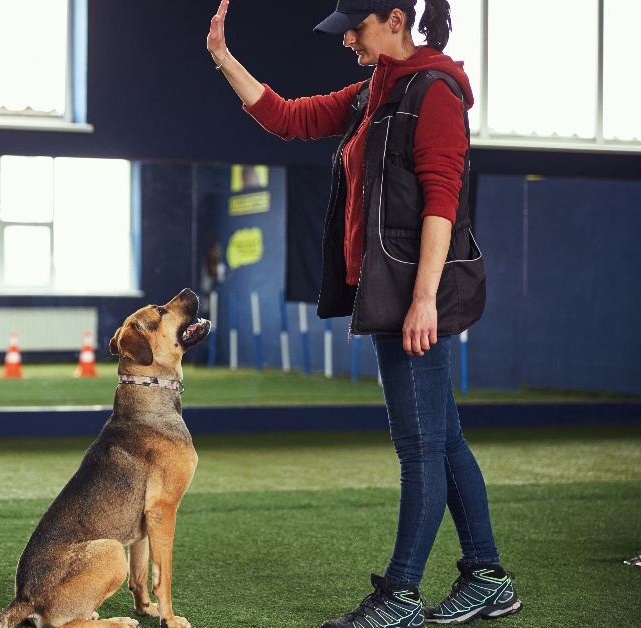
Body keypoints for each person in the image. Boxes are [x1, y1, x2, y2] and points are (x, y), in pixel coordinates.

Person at [207, 0, 521, 626]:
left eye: (356, 26)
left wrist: (424, 299)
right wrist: (222, 57)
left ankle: (400, 596)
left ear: (396, 20)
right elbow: (288, 118)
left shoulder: (433, 94)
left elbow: (443, 201)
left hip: (414, 296)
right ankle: (488, 578)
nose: (347, 38)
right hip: (387, 290)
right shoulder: (372, 94)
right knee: (444, 440)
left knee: (419, 447)